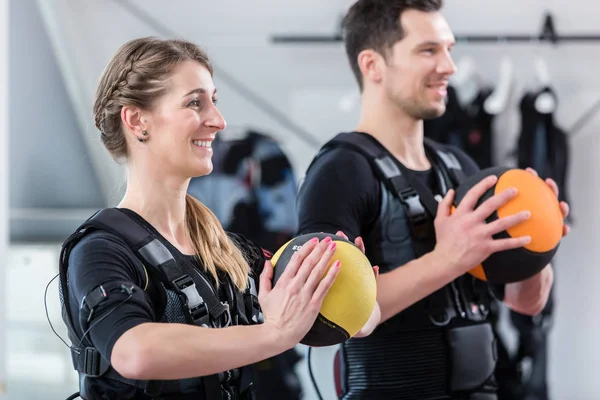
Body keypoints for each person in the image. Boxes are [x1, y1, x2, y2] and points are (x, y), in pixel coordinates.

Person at [57, 37, 379, 400]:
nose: (218, 121)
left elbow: (359, 320)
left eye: (214, 101)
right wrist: (274, 333)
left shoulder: (229, 251)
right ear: (136, 120)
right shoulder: (100, 251)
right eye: (195, 102)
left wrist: (351, 283)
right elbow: (135, 353)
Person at [296, 1, 570, 399]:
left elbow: (525, 301)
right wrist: (447, 259)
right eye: (429, 50)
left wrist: (538, 241)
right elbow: (323, 313)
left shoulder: (456, 164)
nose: (449, 66)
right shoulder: (340, 171)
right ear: (373, 65)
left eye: (448, 49)